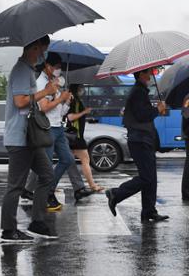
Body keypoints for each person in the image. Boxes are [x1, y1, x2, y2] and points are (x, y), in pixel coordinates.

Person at [0, 35, 60, 243]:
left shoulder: (28, 71)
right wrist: (45, 91)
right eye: (42, 50)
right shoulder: (21, 71)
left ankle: (37, 221)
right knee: (15, 186)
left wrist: (48, 92)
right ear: (33, 48)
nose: (43, 55)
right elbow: (20, 102)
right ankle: (8, 230)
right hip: (19, 138)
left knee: (47, 176)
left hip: (30, 137)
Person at [24, 53, 94, 208]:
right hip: (46, 128)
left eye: (60, 68)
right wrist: (60, 99)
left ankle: (48, 190)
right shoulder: (40, 84)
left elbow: (61, 113)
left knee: (68, 159)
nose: (58, 70)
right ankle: (45, 196)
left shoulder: (54, 83)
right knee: (46, 167)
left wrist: (66, 102)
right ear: (48, 66)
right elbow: (44, 107)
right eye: (56, 67)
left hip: (58, 128)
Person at [105, 68, 169, 222]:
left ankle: (149, 211)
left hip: (144, 139)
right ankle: (116, 193)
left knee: (151, 178)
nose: (151, 76)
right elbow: (142, 115)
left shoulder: (141, 91)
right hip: (140, 140)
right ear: (141, 75)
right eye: (148, 73)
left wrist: (155, 109)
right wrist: (157, 110)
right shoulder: (138, 92)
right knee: (147, 177)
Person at [66, 84, 104, 194]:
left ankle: (51, 188)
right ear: (76, 89)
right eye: (80, 88)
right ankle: (92, 185)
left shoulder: (75, 100)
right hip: (75, 136)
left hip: (73, 136)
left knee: (66, 162)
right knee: (85, 160)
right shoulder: (74, 101)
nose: (82, 90)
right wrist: (84, 112)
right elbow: (70, 117)